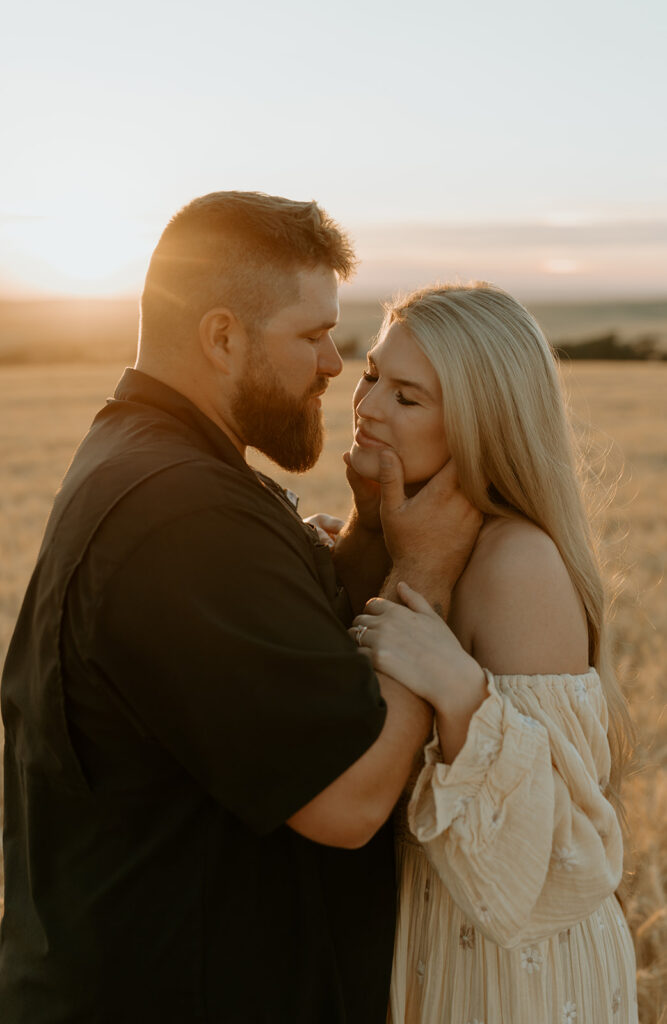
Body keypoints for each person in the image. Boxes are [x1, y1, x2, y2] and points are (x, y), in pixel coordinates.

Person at [0, 193, 482, 1024]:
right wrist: (425, 571)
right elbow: (347, 801)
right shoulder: (183, 514)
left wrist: (369, 527)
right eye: (310, 334)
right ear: (222, 337)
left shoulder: (153, 459)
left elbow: (295, 657)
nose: (335, 363)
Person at [344, 282, 638, 1023]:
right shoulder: (428, 544)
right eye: (372, 374)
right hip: (438, 929)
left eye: (407, 398)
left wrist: (459, 692)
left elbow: (561, 849)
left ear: (482, 424)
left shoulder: (515, 564)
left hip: (515, 969)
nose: (367, 406)